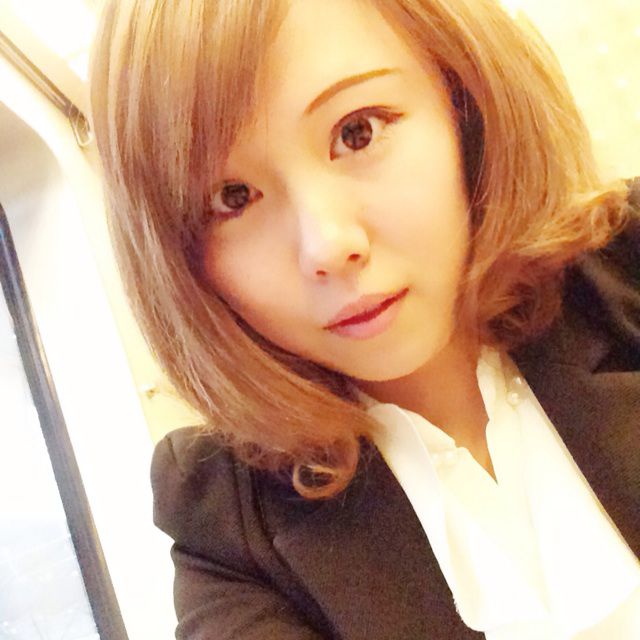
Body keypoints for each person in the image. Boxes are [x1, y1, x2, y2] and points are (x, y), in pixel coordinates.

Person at [89, 0, 640, 637]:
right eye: (233, 197)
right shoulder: (223, 516)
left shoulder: (626, 265)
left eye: (358, 132)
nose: (327, 246)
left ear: (463, 100)